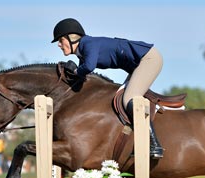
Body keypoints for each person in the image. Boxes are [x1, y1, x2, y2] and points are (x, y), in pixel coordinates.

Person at [52, 18, 164, 158]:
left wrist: (75, 71)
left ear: (71, 38)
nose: (59, 45)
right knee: (120, 98)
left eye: (61, 40)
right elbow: (82, 79)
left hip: (148, 59)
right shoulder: (83, 52)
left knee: (128, 98)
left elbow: (89, 67)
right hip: (138, 65)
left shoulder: (88, 43)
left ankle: (154, 144)